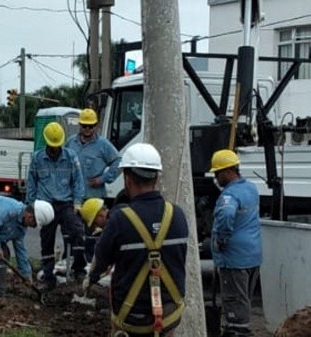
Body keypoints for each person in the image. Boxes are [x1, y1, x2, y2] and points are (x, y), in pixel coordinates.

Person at [86, 143, 189, 337]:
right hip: (169, 314)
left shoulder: (120, 219)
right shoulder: (177, 215)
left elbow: (100, 261)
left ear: (127, 179)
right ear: (156, 177)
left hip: (132, 316)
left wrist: (91, 279)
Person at [25, 121, 86, 289]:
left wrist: (78, 202)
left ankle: (79, 269)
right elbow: (31, 183)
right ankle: (48, 275)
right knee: (47, 239)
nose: (55, 148)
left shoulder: (70, 157)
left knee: (77, 232)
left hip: (66, 203)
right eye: (52, 145)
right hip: (46, 204)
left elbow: (78, 181)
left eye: (57, 145)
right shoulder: (37, 158)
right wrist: (31, 204)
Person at [210, 149, 262, 337]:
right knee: (244, 299)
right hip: (252, 256)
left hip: (234, 260)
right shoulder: (251, 188)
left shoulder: (229, 196)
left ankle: (237, 331)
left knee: (234, 305)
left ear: (227, 171)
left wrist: (221, 240)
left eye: (217, 173)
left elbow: (226, 215)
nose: (216, 178)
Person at [65, 108, 122, 262]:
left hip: (94, 197)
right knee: (72, 233)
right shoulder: (71, 143)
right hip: (73, 197)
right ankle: (74, 263)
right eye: (84, 126)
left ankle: (94, 263)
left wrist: (103, 179)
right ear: (80, 125)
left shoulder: (103, 145)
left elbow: (118, 162)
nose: (87, 129)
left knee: (94, 235)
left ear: (96, 126)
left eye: (91, 126)